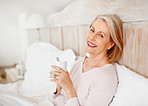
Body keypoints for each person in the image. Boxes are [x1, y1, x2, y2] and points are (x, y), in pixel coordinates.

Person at [49, 14, 123, 106]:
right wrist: (60, 84)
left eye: (100, 35)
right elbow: (61, 98)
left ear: (110, 44)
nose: (91, 37)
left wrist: (69, 88)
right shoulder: (79, 63)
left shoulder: (106, 77)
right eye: (92, 30)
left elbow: (69, 94)